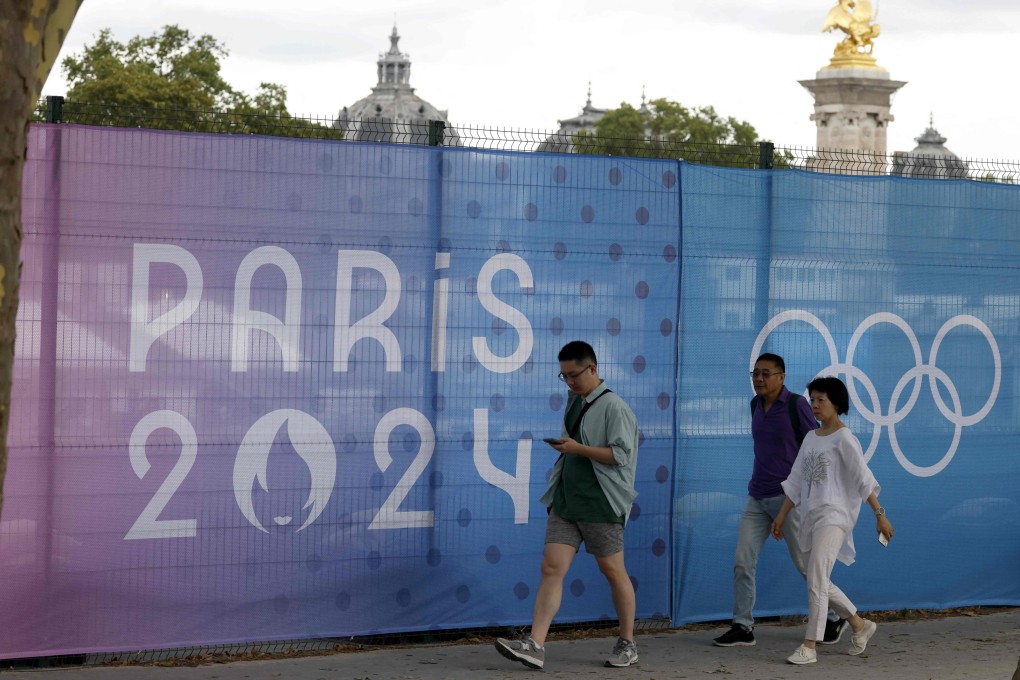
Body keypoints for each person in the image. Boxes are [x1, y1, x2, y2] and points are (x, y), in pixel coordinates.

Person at [494, 340, 640, 670]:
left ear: (593, 369)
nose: (570, 382)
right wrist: (568, 450)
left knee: (614, 572)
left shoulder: (615, 407)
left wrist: (577, 449)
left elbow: (620, 455)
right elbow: (575, 447)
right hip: (566, 500)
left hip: (602, 504)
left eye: (574, 375)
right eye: (564, 376)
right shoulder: (574, 400)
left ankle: (628, 642)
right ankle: (535, 644)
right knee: (551, 568)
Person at [713, 353, 845, 648]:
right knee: (742, 562)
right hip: (756, 498)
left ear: (782, 377)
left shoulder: (798, 405)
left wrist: (799, 494)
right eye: (755, 373)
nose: (759, 379)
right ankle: (743, 626)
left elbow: (816, 448)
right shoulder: (754, 405)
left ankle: (836, 617)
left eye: (766, 373)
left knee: (807, 565)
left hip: (791, 501)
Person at [771, 376, 895, 665]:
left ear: (836, 403)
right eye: (812, 399)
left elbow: (863, 480)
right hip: (811, 517)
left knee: (815, 576)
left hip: (836, 517)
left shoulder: (845, 438)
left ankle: (810, 645)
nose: (814, 404)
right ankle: (858, 624)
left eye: (820, 400)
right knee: (819, 577)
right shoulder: (811, 438)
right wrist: (781, 515)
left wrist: (880, 515)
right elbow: (796, 479)